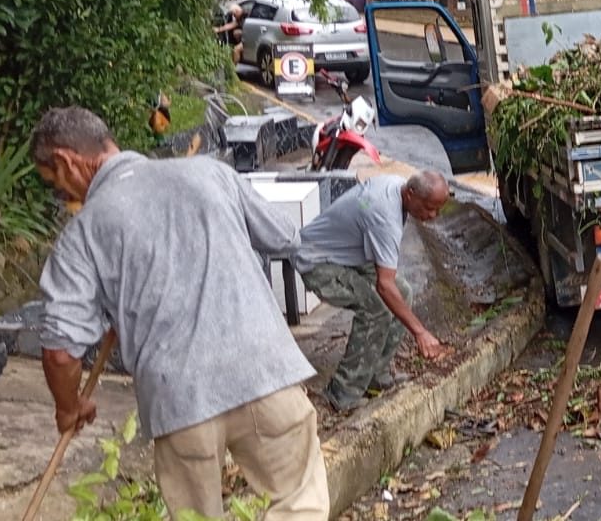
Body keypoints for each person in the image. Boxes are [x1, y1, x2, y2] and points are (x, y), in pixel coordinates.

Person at [32, 107, 328, 519]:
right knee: (299, 505)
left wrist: (68, 407)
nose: (61, 197)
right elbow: (282, 237)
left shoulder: (82, 235)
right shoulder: (211, 174)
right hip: (266, 373)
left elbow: (61, 352)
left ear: (66, 161)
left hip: (180, 402)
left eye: (55, 185)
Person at [295, 171, 452, 411]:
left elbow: (391, 285)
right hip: (318, 262)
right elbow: (384, 286)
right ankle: (342, 394)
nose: (433, 216)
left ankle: (374, 376)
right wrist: (420, 332)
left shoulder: (396, 185)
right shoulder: (385, 217)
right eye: (430, 208)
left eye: (438, 210)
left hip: (349, 257)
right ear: (411, 194)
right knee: (375, 310)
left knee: (404, 292)